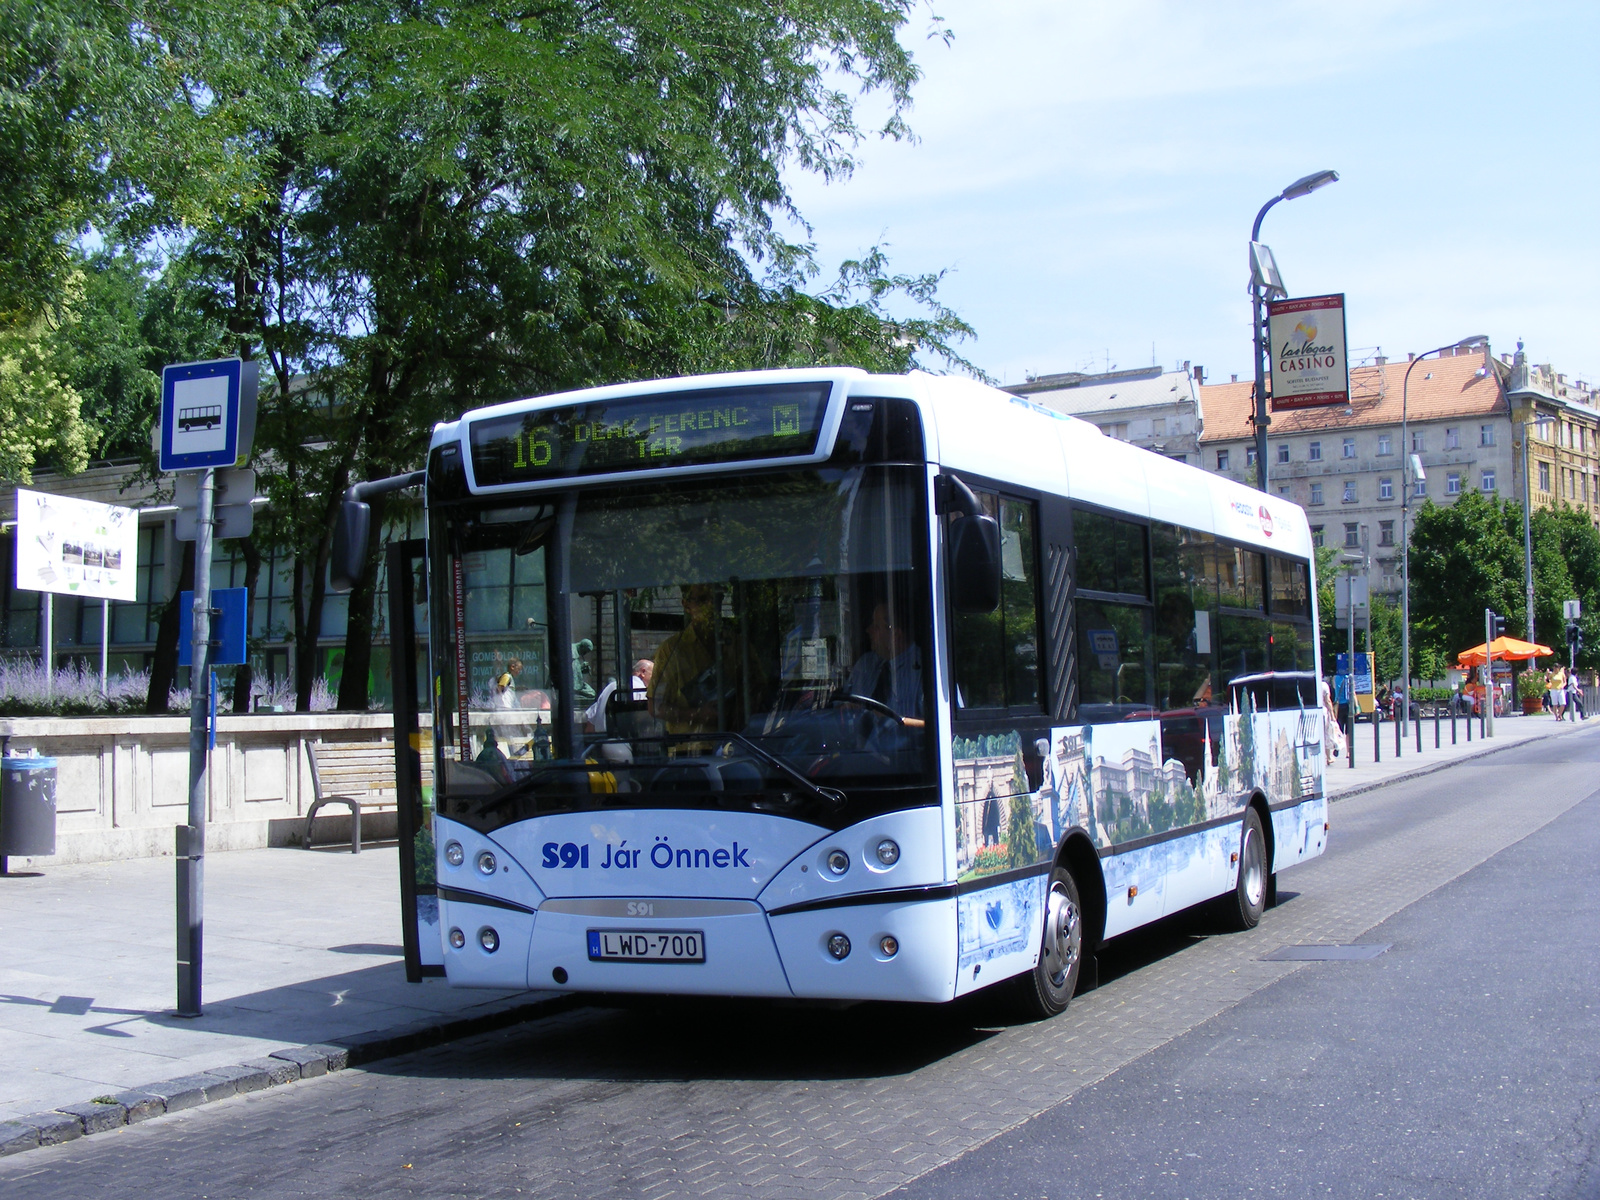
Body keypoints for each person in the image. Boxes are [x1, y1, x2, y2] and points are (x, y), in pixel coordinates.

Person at [650, 585, 757, 736]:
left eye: (716, 599)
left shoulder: (738, 645)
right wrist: (698, 714)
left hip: (740, 743)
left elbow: (760, 691)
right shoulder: (671, 650)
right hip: (689, 748)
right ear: (686, 605)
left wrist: (739, 712)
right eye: (701, 600)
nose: (710, 605)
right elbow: (655, 706)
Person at [844, 602, 924, 724]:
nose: (868, 630)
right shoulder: (865, 664)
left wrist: (893, 720)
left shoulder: (928, 671)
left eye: (876, 627)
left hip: (904, 742)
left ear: (895, 635)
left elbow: (945, 727)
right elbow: (844, 703)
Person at [585, 659, 654, 734]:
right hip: (627, 741)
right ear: (643, 672)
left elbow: (590, 724)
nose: (655, 681)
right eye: (654, 675)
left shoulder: (610, 687)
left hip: (604, 741)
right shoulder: (641, 690)